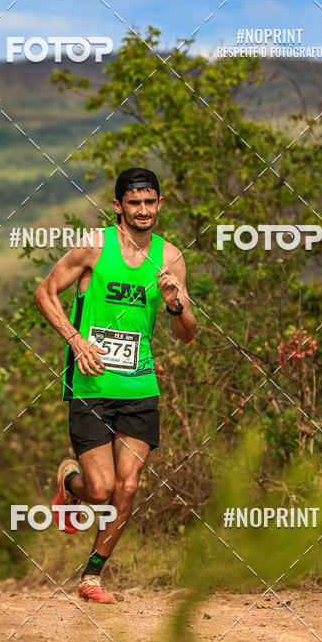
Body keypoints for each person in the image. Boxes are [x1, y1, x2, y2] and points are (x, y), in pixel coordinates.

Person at [34, 167, 196, 603]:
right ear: (119, 206)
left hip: (140, 386)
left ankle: (92, 577)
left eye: (150, 202)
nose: (143, 210)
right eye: (134, 203)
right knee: (102, 490)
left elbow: (188, 331)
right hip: (91, 386)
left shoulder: (171, 258)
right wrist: (75, 340)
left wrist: (176, 302)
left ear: (160, 205)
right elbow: (45, 293)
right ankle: (71, 484)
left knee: (127, 487)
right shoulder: (94, 247)